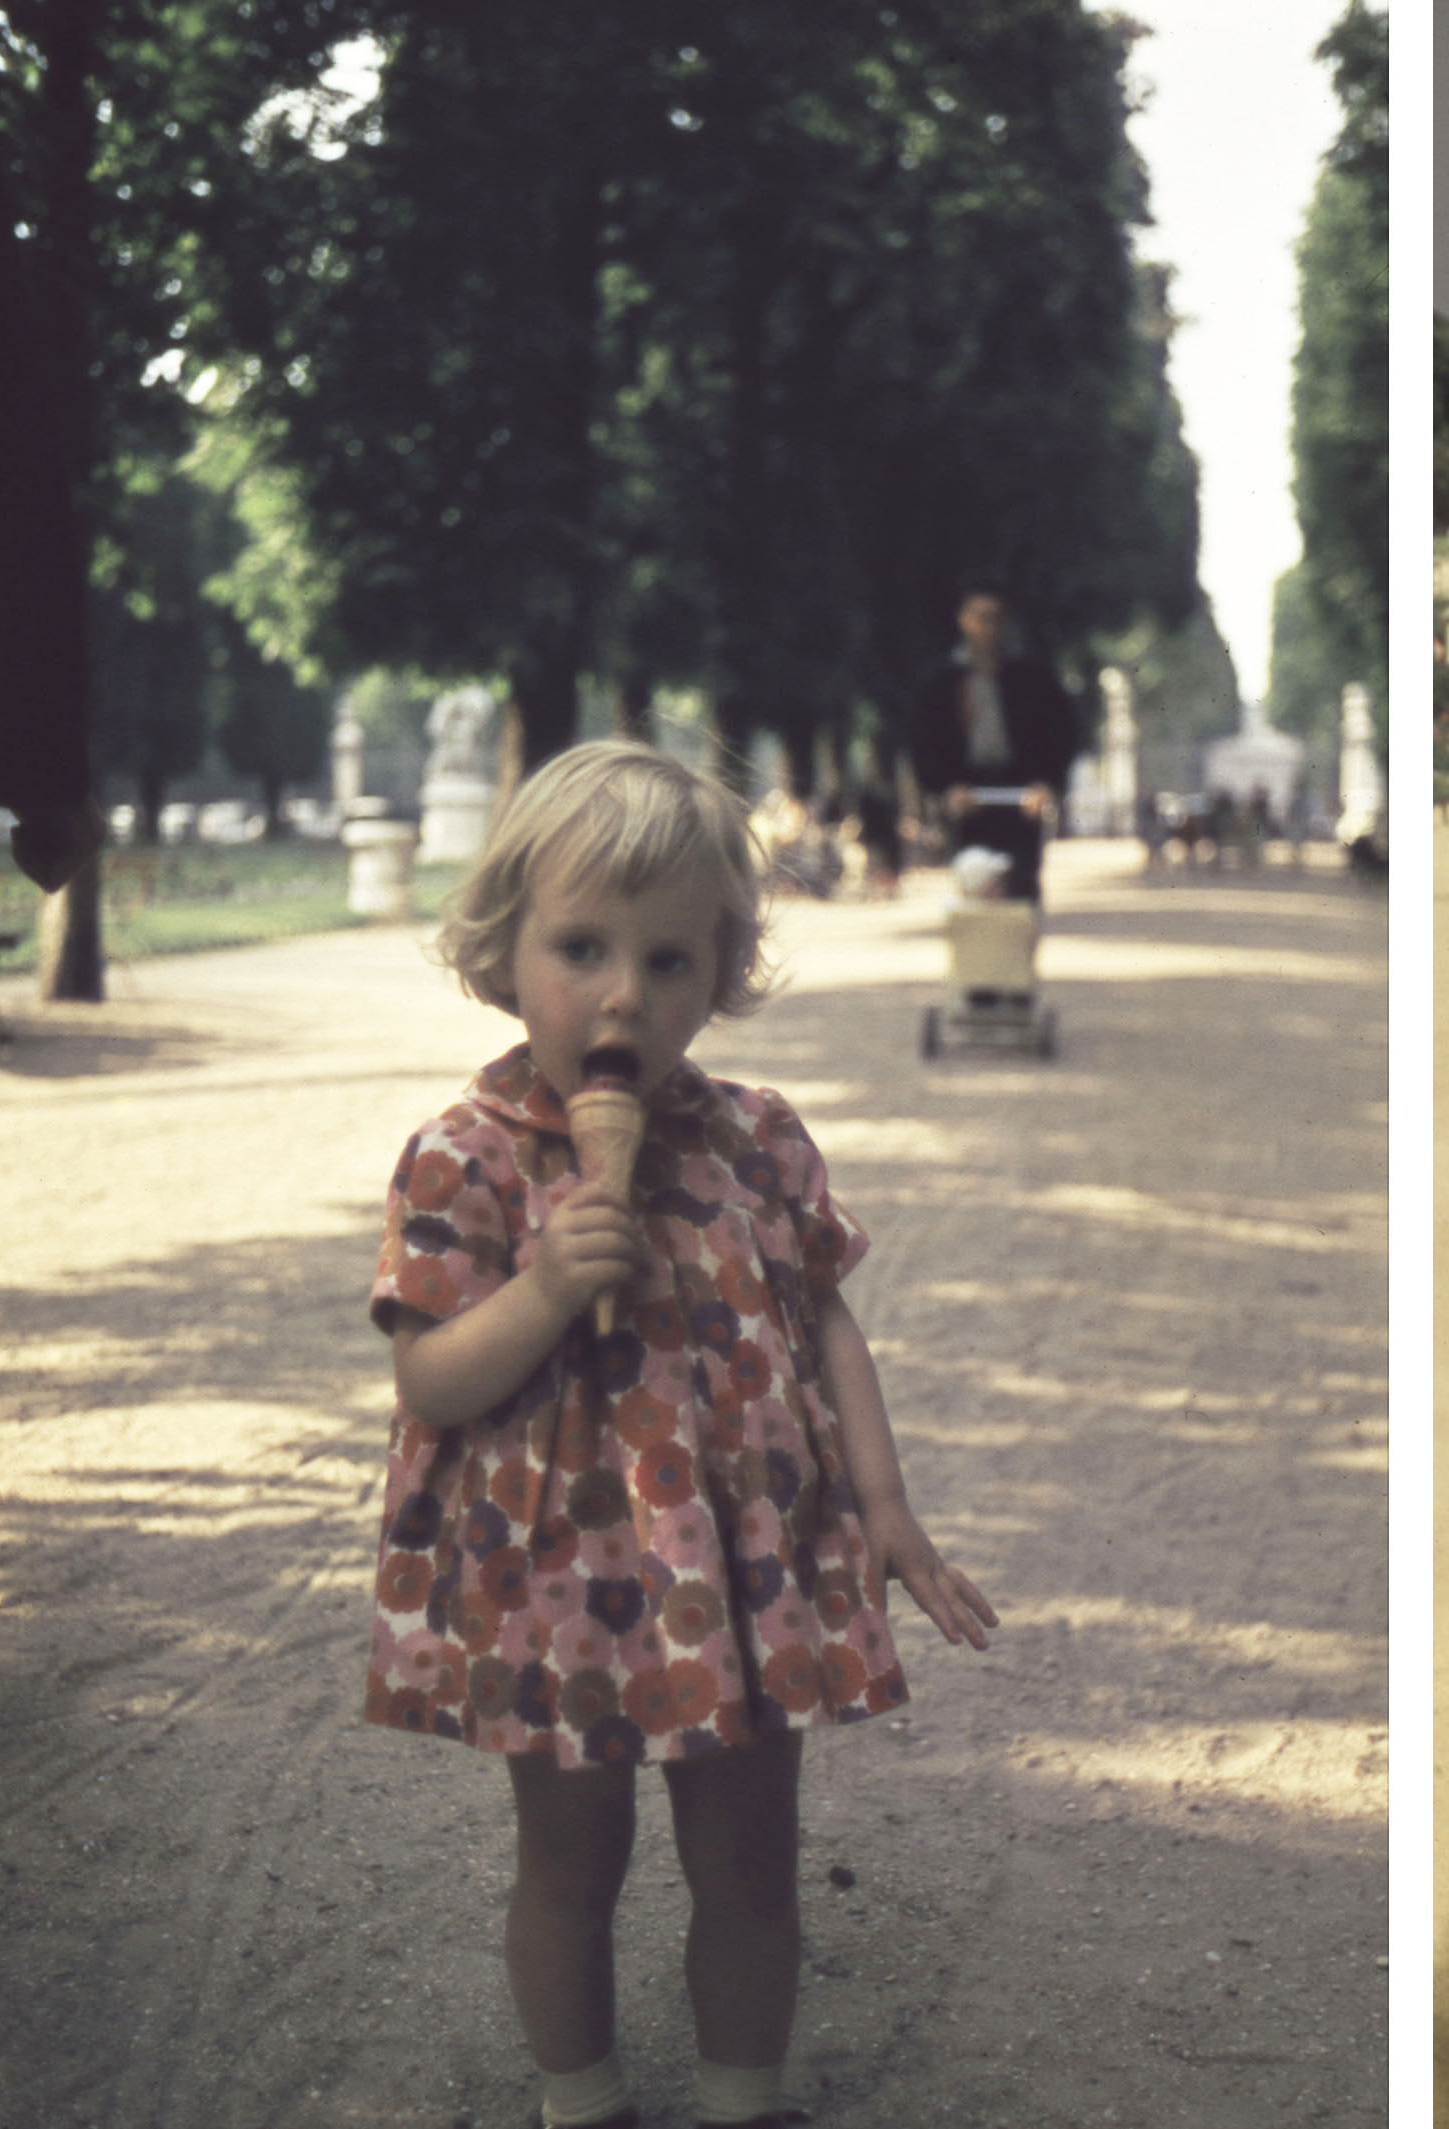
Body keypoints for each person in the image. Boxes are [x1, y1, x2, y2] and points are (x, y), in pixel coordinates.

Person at [365, 742, 1000, 2129]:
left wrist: (884, 1501)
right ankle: (578, 2099)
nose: (622, 995)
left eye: (670, 960)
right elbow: (433, 1380)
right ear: (501, 953)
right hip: (557, 1586)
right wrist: (543, 1286)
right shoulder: (461, 1157)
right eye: (581, 947)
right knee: (569, 1862)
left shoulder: (758, 1139)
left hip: (746, 1565)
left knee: (752, 1857)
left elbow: (825, 1320)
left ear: (721, 975)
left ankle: (741, 2098)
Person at [912, 588, 1083, 905]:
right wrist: (945, 788)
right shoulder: (942, 682)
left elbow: (1061, 734)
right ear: (963, 620)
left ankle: (1016, 950)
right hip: (968, 797)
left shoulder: (1032, 678)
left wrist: (1047, 783)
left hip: (1021, 797)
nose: (988, 627)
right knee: (975, 886)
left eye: (996, 618)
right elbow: (924, 742)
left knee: (1020, 888)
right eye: (980, 617)